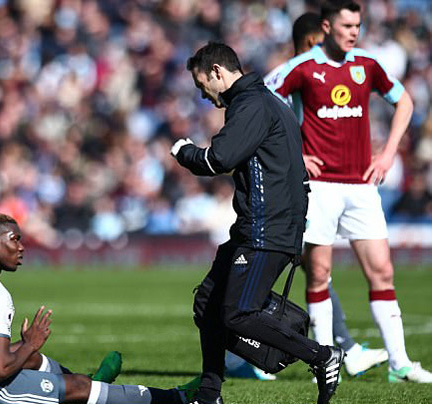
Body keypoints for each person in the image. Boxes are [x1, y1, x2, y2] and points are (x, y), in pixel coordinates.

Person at [171, 42, 343, 404]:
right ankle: (209, 393)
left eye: (203, 85)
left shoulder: (250, 105)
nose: (204, 95)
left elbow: (218, 160)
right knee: (207, 304)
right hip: (260, 227)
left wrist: (183, 151)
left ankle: (322, 356)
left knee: (237, 314)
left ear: (218, 72)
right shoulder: (267, 103)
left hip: (266, 231)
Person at [271, 0, 432, 383]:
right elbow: (263, 106)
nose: (353, 32)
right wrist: (296, 155)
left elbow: (404, 102)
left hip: (361, 187)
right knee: (319, 274)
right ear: (326, 27)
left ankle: (400, 364)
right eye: (346, 26)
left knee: (382, 272)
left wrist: (389, 153)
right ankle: (325, 363)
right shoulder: (301, 68)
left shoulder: (367, 65)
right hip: (320, 189)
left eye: (358, 25)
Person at [0, 212, 198, 404]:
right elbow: (1, 369)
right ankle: (178, 399)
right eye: (14, 239)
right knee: (79, 387)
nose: (22, 247)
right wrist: (30, 343)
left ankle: (85, 384)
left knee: (32, 359)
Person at [266, 11, 388, 378]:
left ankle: (343, 348)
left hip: (297, 185)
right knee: (289, 265)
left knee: (311, 267)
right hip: (294, 186)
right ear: (310, 42)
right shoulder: (298, 76)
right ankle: (261, 354)